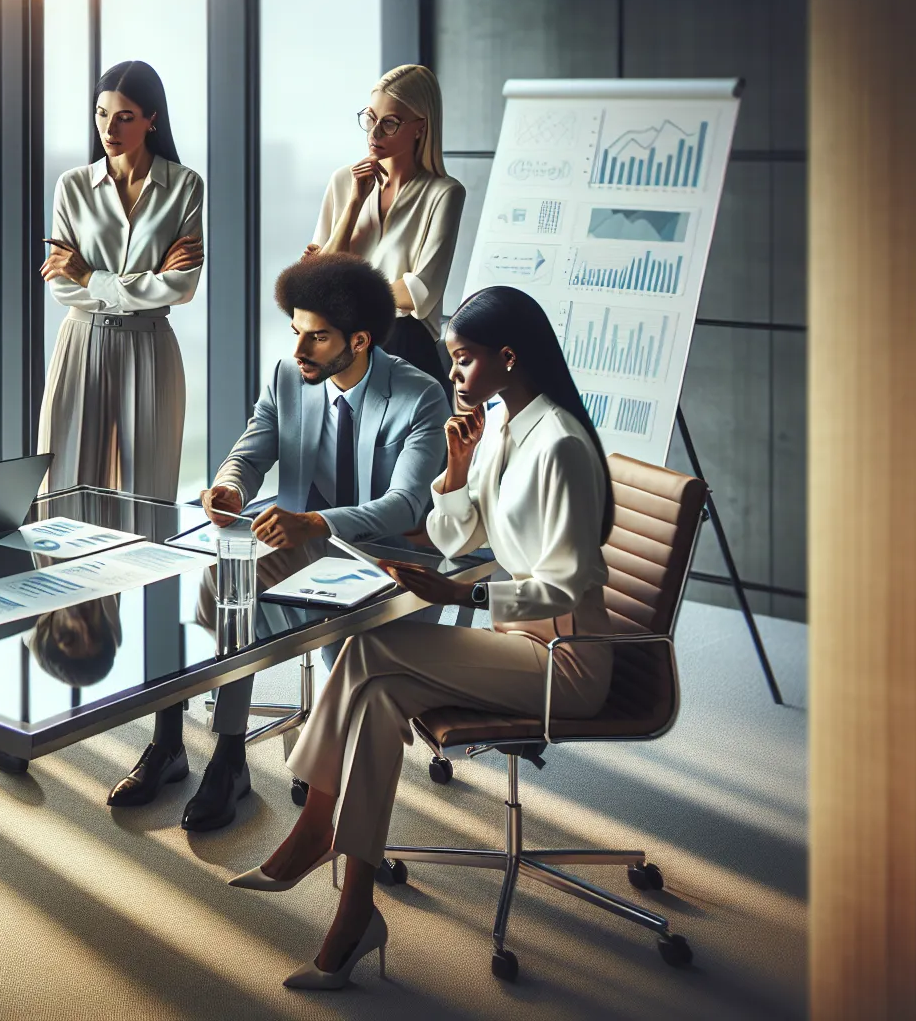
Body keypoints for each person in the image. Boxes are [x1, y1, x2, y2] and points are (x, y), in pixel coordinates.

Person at [229, 286, 617, 990]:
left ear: (507, 357)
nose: (456, 375)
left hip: (564, 659)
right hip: (510, 643)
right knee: (377, 698)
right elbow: (450, 535)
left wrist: (467, 592)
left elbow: (569, 582)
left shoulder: (559, 444)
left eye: (464, 361)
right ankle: (355, 911)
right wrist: (457, 476)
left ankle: (317, 829)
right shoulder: (500, 423)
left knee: (369, 648)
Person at [107, 254, 449, 831]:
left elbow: (406, 505)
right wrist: (230, 487)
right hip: (301, 537)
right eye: (296, 332)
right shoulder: (290, 376)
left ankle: (228, 757)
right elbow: (253, 448)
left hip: (385, 556)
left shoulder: (420, 398)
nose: (299, 351)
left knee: (235, 588)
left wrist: (316, 524)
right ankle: (182, 746)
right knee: (200, 570)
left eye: (316, 338)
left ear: (360, 340)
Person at [39, 59, 205, 500]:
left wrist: (90, 274)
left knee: (147, 495)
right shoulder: (71, 187)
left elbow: (182, 287)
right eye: (101, 114)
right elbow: (61, 286)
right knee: (64, 490)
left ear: (152, 119)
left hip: (150, 348)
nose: (109, 129)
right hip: (80, 342)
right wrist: (146, 280)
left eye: (125, 117)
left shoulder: (186, 186)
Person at [307, 64, 463, 388]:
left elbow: (419, 292)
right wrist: (353, 205)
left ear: (420, 127)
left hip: (406, 355)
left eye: (390, 123)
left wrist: (345, 290)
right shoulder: (343, 181)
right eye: (370, 118)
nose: (374, 133)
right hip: (342, 352)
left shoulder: (444, 194)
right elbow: (316, 284)